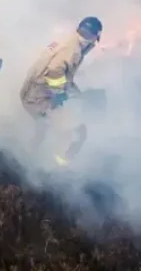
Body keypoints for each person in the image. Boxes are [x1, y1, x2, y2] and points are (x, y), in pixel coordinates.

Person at [19, 16, 103, 167]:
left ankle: (29, 153)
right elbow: (54, 70)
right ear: (94, 36)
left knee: (43, 125)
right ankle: (60, 166)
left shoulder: (70, 41)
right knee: (79, 133)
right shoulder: (73, 50)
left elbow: (61, 72)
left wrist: (73, 92)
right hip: (37, 96)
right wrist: (59, 94)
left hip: (35, 90)